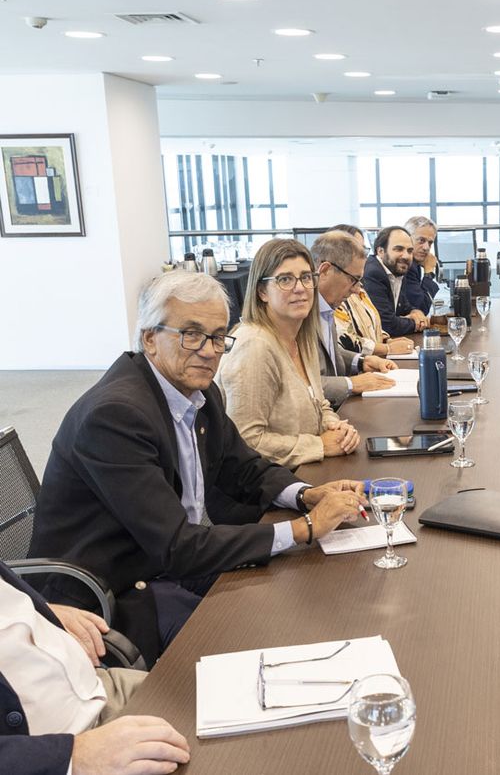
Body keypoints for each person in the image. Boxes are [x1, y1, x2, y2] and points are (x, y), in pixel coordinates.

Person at [28, 270, 366, 663]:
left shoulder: (200, 390)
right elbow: (178, 547)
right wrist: (304, 527)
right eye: (191, 334)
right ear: (149, 338)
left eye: (218, 336)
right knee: (265, 642)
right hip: (112, 595)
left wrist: (306, 495)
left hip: (165, 564)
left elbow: (243, 467)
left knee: (307, 594)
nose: (209, 350)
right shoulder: (116, 416)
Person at [0, 561, 191, 775]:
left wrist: (38, 606)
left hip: (99, 687)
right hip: (59, 751)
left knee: (217, 700)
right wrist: (74, 756)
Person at [216, 239, 361, 469]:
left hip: (302, 474)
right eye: (285, 279)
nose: (300, 288)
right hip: (263, 493)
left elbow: (319, 403)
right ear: (262, 291)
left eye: (306, 277)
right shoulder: (254, 347)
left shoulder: (302, 337)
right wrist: (319, 446)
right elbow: (246, 440)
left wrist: (335, 428)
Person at [308, 231, 398, 407]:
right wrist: (352, 384)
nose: (357, 290)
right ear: (325, 270)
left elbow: (329, 354)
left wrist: (361, 361)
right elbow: (302, 385)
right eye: (353, 279)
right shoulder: (299, 312)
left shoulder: (327, 305)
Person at [329, 224, 414, 359]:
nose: (362, 256)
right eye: (356, 249)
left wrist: (386, 339)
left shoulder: (358, 286)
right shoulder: (333, 291)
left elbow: (372, 323)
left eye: (363, 249)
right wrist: (387, 348)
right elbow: (344, 339)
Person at [364, 225, 431, 340]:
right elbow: (386, 325)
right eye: (399, 249)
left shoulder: (398, 270)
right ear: (380, 251)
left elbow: (404, 307)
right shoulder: (373, 273)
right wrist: (417, 323)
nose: (406, 256)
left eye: (409, 251)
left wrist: (415, 311)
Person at [403, 215, 440, 314]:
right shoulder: (405, 265)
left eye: (430, 243)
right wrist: (429, 273)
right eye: (421, 240)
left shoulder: (415, 263)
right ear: (407, 238)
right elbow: (420, 308)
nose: (426, 248)